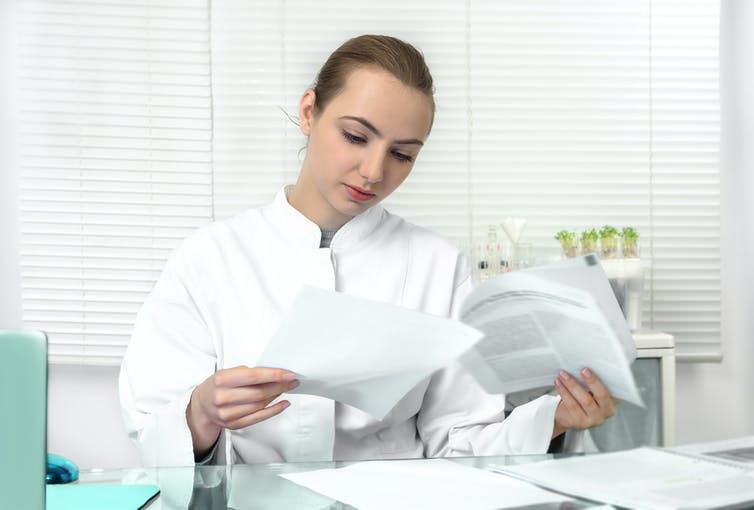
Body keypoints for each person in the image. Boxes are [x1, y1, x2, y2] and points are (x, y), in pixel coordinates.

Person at [119, 34, 617, 467]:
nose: (375, 171)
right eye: (356, 136)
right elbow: (152, 427)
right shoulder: (210, 257)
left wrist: (552, 419)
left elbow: (460, 441)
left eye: (402, 154)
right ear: (310, 112)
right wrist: (200, 413)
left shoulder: (438, 265)